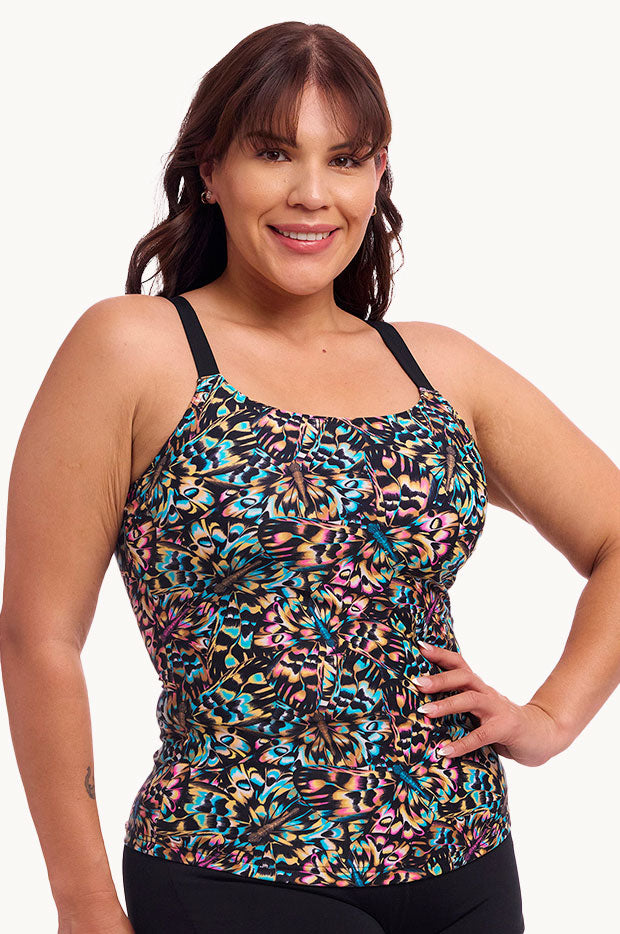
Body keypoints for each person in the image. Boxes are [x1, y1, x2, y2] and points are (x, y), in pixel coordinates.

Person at [1, 19, 619, 934]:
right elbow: (39, 637)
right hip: (231, 866)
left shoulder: (439, 367)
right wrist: (82, 903)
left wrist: (552, 718)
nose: (312, 194)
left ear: (379, 176)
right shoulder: (132, 349)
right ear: (211, 168)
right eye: (273, 152)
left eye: (346, 159)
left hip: (467, 862)